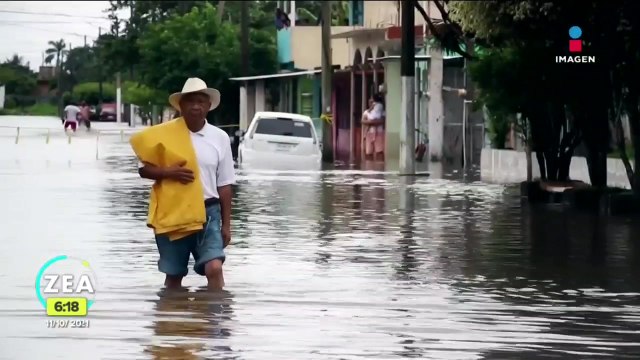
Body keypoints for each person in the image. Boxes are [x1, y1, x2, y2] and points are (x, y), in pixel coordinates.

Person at [135, 78, 236, 290]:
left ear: (209, 106)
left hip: (208, 213)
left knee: (214, 268)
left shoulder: (220, 138)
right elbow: (143, 168)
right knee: (174, 275)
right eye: (190, 101)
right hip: (173, 212)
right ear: (180, 105)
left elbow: (225, 184)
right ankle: (172, 320)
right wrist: (167, 172)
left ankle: (218, 319)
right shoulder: (163, 135)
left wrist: (226, 224)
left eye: (201, 101)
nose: (196, 106)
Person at [361, 93, 386, 160]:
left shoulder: (382, 112)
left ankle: (379, 167)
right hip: (369, 133)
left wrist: (370, 122)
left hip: (379, 133)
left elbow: (382, 121)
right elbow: (363, 121)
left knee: (379, 152)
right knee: (368, 153)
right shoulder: (366, 112)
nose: (372, 103)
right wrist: (373, 122)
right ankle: (370, 167)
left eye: (373, 102)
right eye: (371, 102)